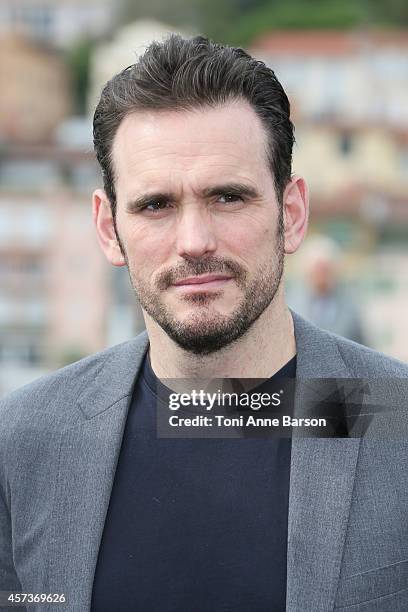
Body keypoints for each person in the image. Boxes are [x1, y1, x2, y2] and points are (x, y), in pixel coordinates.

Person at [1, 34, 408, 612]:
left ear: (291, 215)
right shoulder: (26, 438)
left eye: (228, 197)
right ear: (108, 227)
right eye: (155, 205)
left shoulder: (393, 419)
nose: (194, 242)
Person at [288, 236, 367, 344]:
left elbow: (363, 345)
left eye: (326, 270)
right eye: (318, 270)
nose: (322, 276)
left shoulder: (349, 307)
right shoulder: (292, 303)